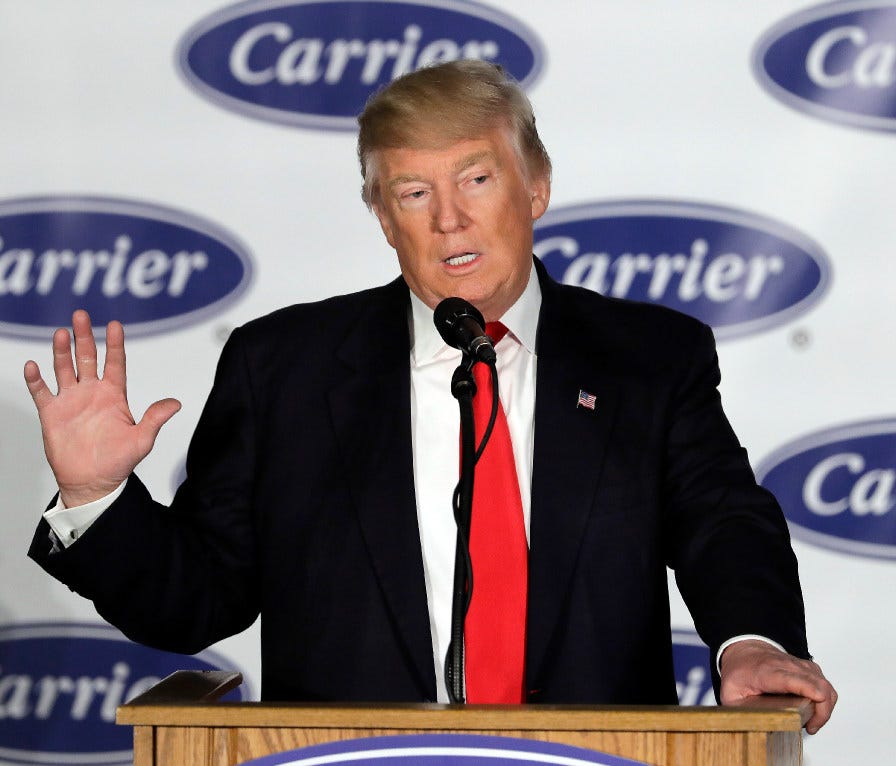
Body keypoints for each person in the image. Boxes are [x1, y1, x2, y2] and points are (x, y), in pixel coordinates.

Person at [24, 60, 836, 731]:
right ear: (382, 216)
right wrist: (98, 497)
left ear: (537, 187)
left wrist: (751, 643)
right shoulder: (283, 369)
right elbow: (197, 601)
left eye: (477, 178)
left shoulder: (650, 358)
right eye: (413, 193)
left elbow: (723, 522)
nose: (449, 219)